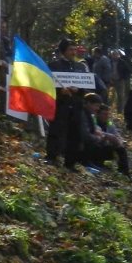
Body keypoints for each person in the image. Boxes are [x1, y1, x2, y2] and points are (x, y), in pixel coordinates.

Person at [45, 38, 86, 171]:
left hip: (76, 105)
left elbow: (87, 86)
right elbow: (48, 84)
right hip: (60, 104)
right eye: (70, 49)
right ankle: (52, 157)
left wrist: (78, 89)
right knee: (56, 130)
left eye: (75, 49)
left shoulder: (81, 67)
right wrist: (59, 90)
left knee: (74, 134)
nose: (73, 52)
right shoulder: (54, 65)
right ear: (63, 51)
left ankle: (70, 163)